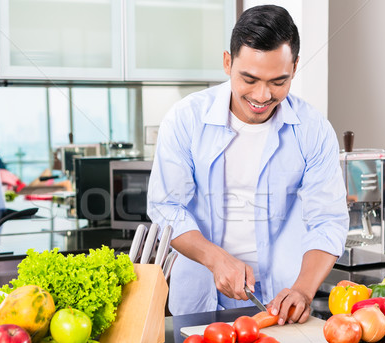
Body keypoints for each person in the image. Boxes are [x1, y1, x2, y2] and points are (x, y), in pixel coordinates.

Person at [147, 5, 349, 323]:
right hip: (199, 304)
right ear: (228, 62)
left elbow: (328, 221)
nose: (262, 95)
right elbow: (167, 208)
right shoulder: (185, 119)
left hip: (281, 305)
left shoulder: (313, 129)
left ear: (295, 67)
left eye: (278, 81)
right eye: (249, 79)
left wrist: (304, 290)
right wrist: (215, 259)